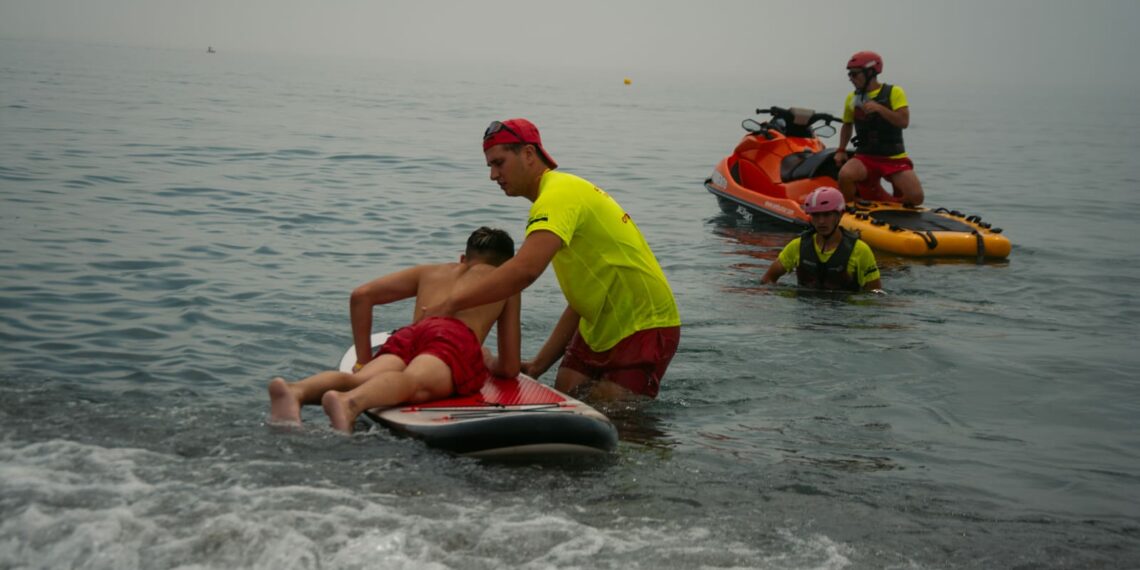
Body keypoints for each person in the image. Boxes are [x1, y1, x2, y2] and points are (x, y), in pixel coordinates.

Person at [425, 118, 681, 402]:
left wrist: (452, 303)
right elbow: (580, 298)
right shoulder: (556, 196)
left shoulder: (556, 197)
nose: (493, 176)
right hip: (599, 324)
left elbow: (524, 271)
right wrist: (538, 365)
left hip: (644, 323)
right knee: (567, 396)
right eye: (490, 167)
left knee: (618, 419)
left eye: (499, 163)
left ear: (528, 154)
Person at [268, 227, 521, 433]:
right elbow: (510, 367)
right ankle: (349, 403)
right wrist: (487, 359)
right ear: (507, 266)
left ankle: (295, 391)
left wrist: (363, 362)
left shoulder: (432, 272)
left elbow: (361, 296)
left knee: (360, 379)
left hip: (413, 333)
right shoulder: (506, 282)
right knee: (413, 383)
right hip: (453, 338)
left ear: (463, 259)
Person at [834, 50, 925, 206]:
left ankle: (895, 207)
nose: (851, 79)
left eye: (855, 74)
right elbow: (847, 124)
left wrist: (880, 109)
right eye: (849, 75)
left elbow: (904, 122)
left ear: (870, 72)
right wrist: (841, 149)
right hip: (865, 157)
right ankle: (850, 208)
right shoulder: (851, 98)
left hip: (894, 158)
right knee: (845, 175)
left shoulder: (894, 92)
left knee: (916, 197)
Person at [760, 187, 883, 292]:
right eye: (816, 215)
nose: (821, 221)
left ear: (840, 214)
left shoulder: (860, 250)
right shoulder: (797, 246)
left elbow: (874, 295)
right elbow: (768, 279)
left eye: (827, 214)